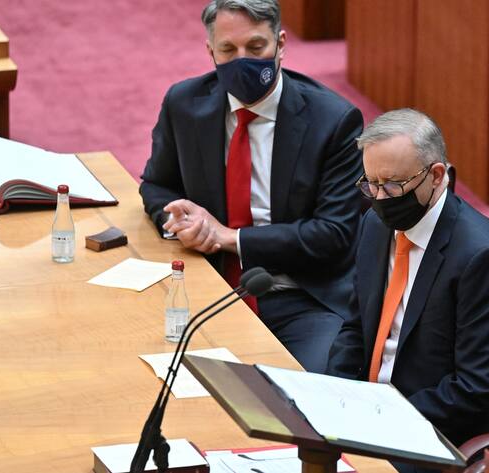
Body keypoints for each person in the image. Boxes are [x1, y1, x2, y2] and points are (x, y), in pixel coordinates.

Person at [139, 0, 364, 373]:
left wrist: (230, 238)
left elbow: (334, 234)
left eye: (256, 48)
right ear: (210, 51)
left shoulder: (334, 121)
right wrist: (182, 219)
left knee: (307, 403)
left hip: (298, 294)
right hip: (206, 283)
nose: (242, 60)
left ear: (281, 44)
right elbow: (157, 186)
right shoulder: (184, 103)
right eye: (228, 49)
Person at [327, 109, 489, 447]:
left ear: (436, 175)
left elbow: (472, 389)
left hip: (430, 430)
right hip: (367, 411)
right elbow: (357, 325)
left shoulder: (482, 258)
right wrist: (335, 395)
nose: (378, 199)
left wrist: (376, 419)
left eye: (392, 185)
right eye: (370, 184)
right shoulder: (375, 226)